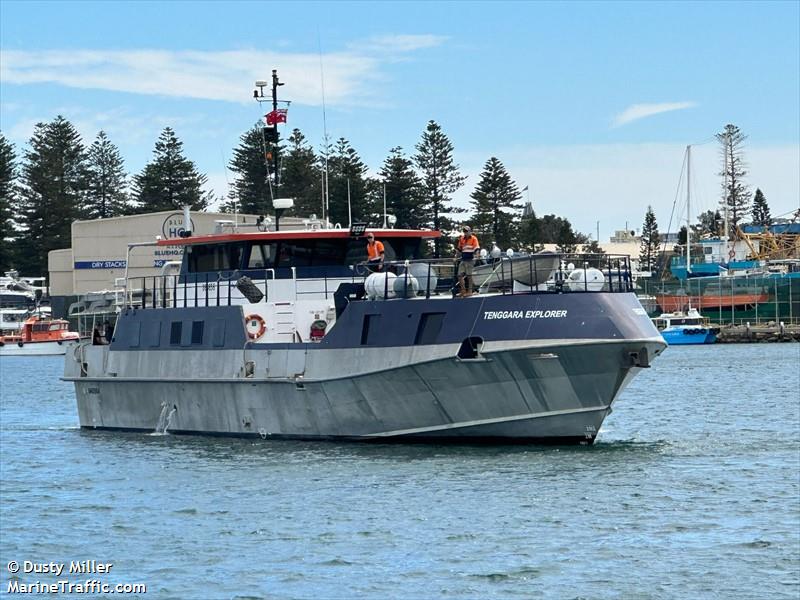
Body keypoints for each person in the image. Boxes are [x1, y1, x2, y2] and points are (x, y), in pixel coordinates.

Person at [457, 226, 480, 296]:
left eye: (467, 231)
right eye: (464, 231)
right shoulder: (462, 239)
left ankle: (470, 291)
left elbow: (476, 248)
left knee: (469, 275)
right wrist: (455, 257)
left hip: (470, 259)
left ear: (470, 231)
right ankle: (463, 291)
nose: (465, 233)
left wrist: (477, 255)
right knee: (459, 275)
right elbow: (459, 249)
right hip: (463, 259)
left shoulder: (474, 238)